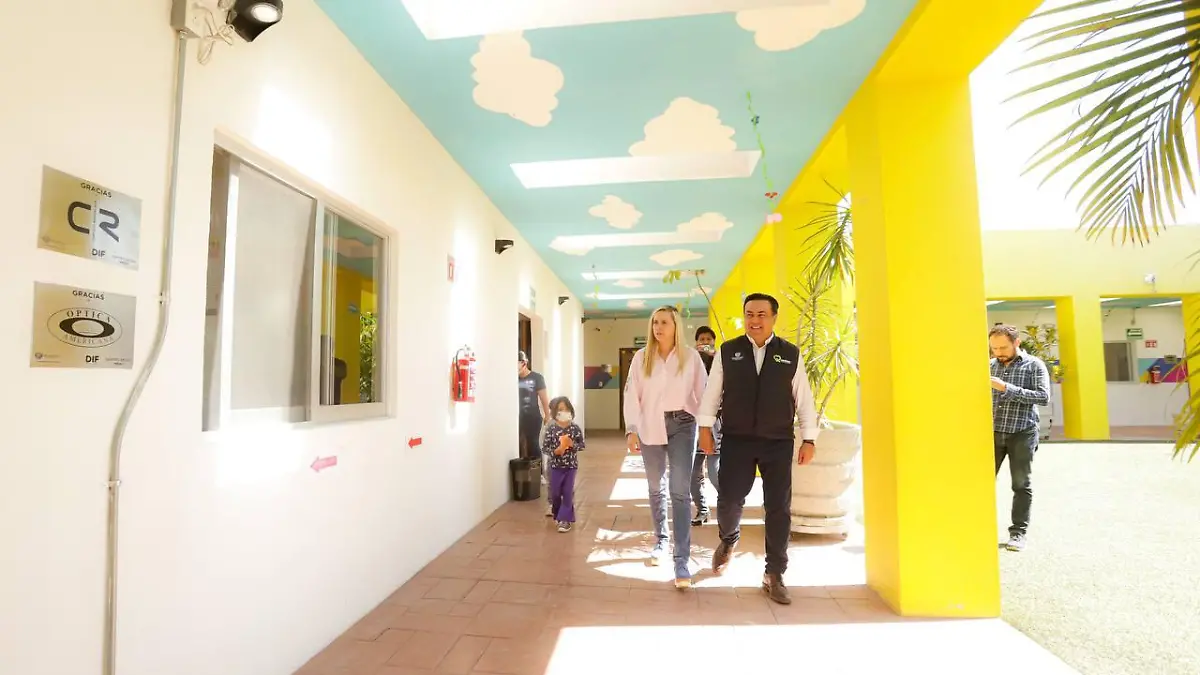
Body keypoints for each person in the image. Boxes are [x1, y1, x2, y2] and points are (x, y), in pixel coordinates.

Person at [698, 293, 818, 605]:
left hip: (778, 441)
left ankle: (774, 573)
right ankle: (729, 539)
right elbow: (712, 393)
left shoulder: (789, 354)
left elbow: (803, 399)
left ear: (774, 317)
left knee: (778, 507)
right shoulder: (729, 351)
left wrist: (809, 439)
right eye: (750, 314)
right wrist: (705, 429)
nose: (755, 320)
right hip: (737, 439)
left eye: (762, 314)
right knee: (729, 499)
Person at [623, 306, 708, 589]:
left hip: (683, 424)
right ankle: (661, 540)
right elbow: (632, 394)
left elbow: (703, 392)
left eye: (663, 322)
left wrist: (707, 427)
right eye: (655, 322)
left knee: (679, 490)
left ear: (675, 326)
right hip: (650, 424)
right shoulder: (641, 358)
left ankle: (681, 560)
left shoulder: (691, 357)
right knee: (655, 486)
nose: (658, 327)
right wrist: (631, 429)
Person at [988, 324, 1050, 553]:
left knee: (1021, 484)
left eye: (1003, 347)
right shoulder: (989, 366)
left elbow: (1043, 397)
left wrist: (1006, 388)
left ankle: (1018, 533)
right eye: (994, 348)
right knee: (982, 483)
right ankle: (979, 531)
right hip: (992, 433)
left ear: (1016, 343)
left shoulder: (1034, 365)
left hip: (1023, 432)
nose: (998, 352)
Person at [542, 396, 586, 533]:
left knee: (567, 492)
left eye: (566, 409)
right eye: (561, 409)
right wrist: (555, 451)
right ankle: (557, 512)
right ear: (555, 412)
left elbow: (582, 445)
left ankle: (565, 520)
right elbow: (545, 448)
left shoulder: (575, 429)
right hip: (555, 467)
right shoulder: (551, 429)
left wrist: (572, 445)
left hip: (570, 466)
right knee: (555, 492)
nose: (564, 412)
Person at [691, 326, 720, 526]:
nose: (705, 342)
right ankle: (702, 510)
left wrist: (714, 357)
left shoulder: (721, 361)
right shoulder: (690, 362)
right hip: (693, 425)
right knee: (693, 475)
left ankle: (729, 506)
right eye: (701, 339)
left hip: (715, 425)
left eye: (708, 339)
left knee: (715, 472)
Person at [518, 351, 550, 461]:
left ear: (524, 363)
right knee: (518, 443)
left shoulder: (537, 378)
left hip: (532, 417)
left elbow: (544, 398)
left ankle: (538, 468)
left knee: (533, 443)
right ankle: (523, 468)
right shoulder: (513, 378)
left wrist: (547, 415)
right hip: (517, 417)